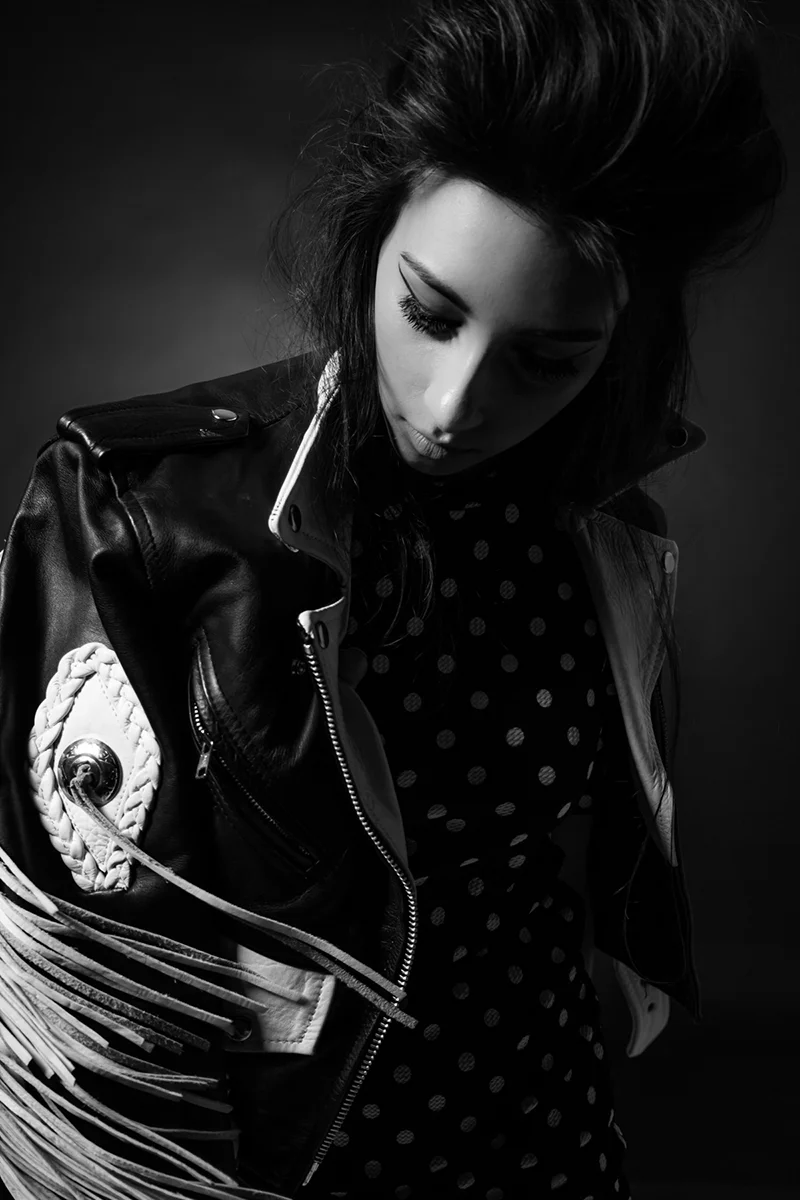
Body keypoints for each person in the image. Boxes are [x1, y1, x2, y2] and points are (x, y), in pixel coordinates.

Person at [0, 0, 786, 1197]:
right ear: (372, 237)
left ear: (618, 348)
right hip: (290, 1152)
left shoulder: (606, 531)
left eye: (545, 360)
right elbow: (82, 983)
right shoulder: (133, 507)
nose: (456, 403)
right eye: (428, 312)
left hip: (542, 1107)